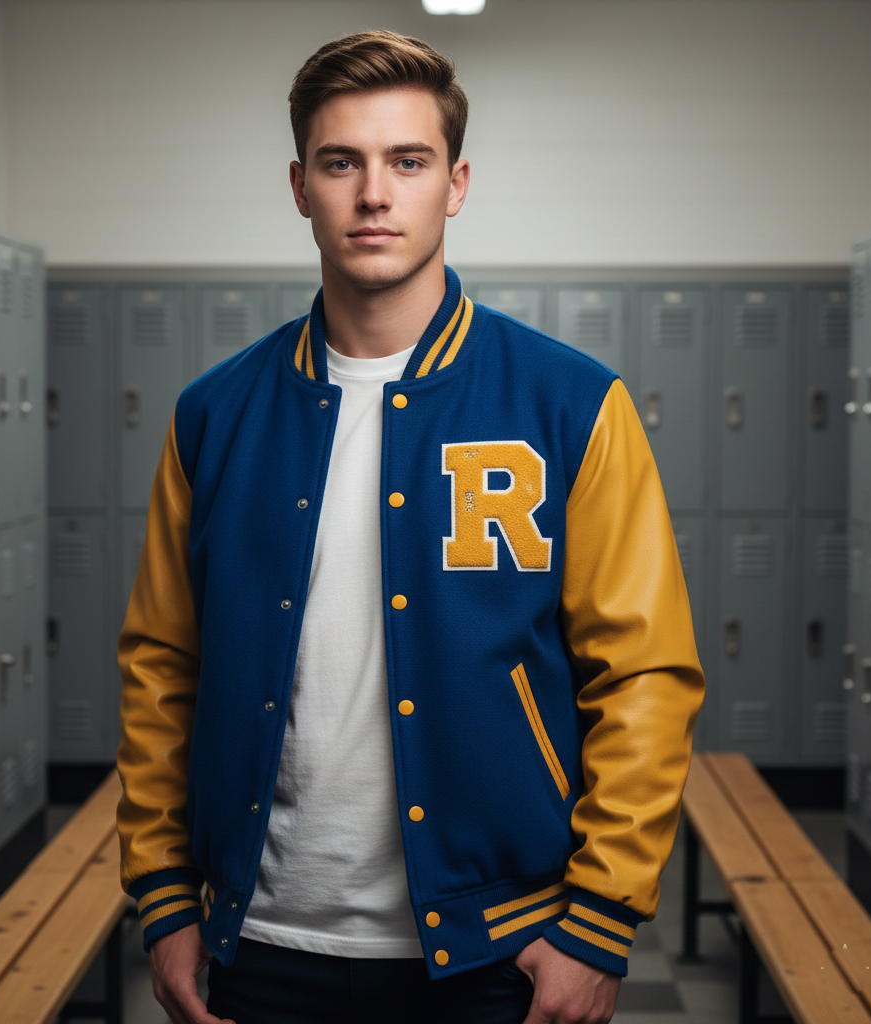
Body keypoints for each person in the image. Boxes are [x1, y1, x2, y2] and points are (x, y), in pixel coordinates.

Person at [116, 29, 704, 1024]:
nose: (374, 194)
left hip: (496, 951)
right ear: (300, 185)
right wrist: (165, 895)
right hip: (259, 945)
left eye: (408, 161)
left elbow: (643, 672)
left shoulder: (569, 405)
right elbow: (161, 666)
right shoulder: (213, 414)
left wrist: (600, 919)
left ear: (456, 184)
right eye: (341, 162)